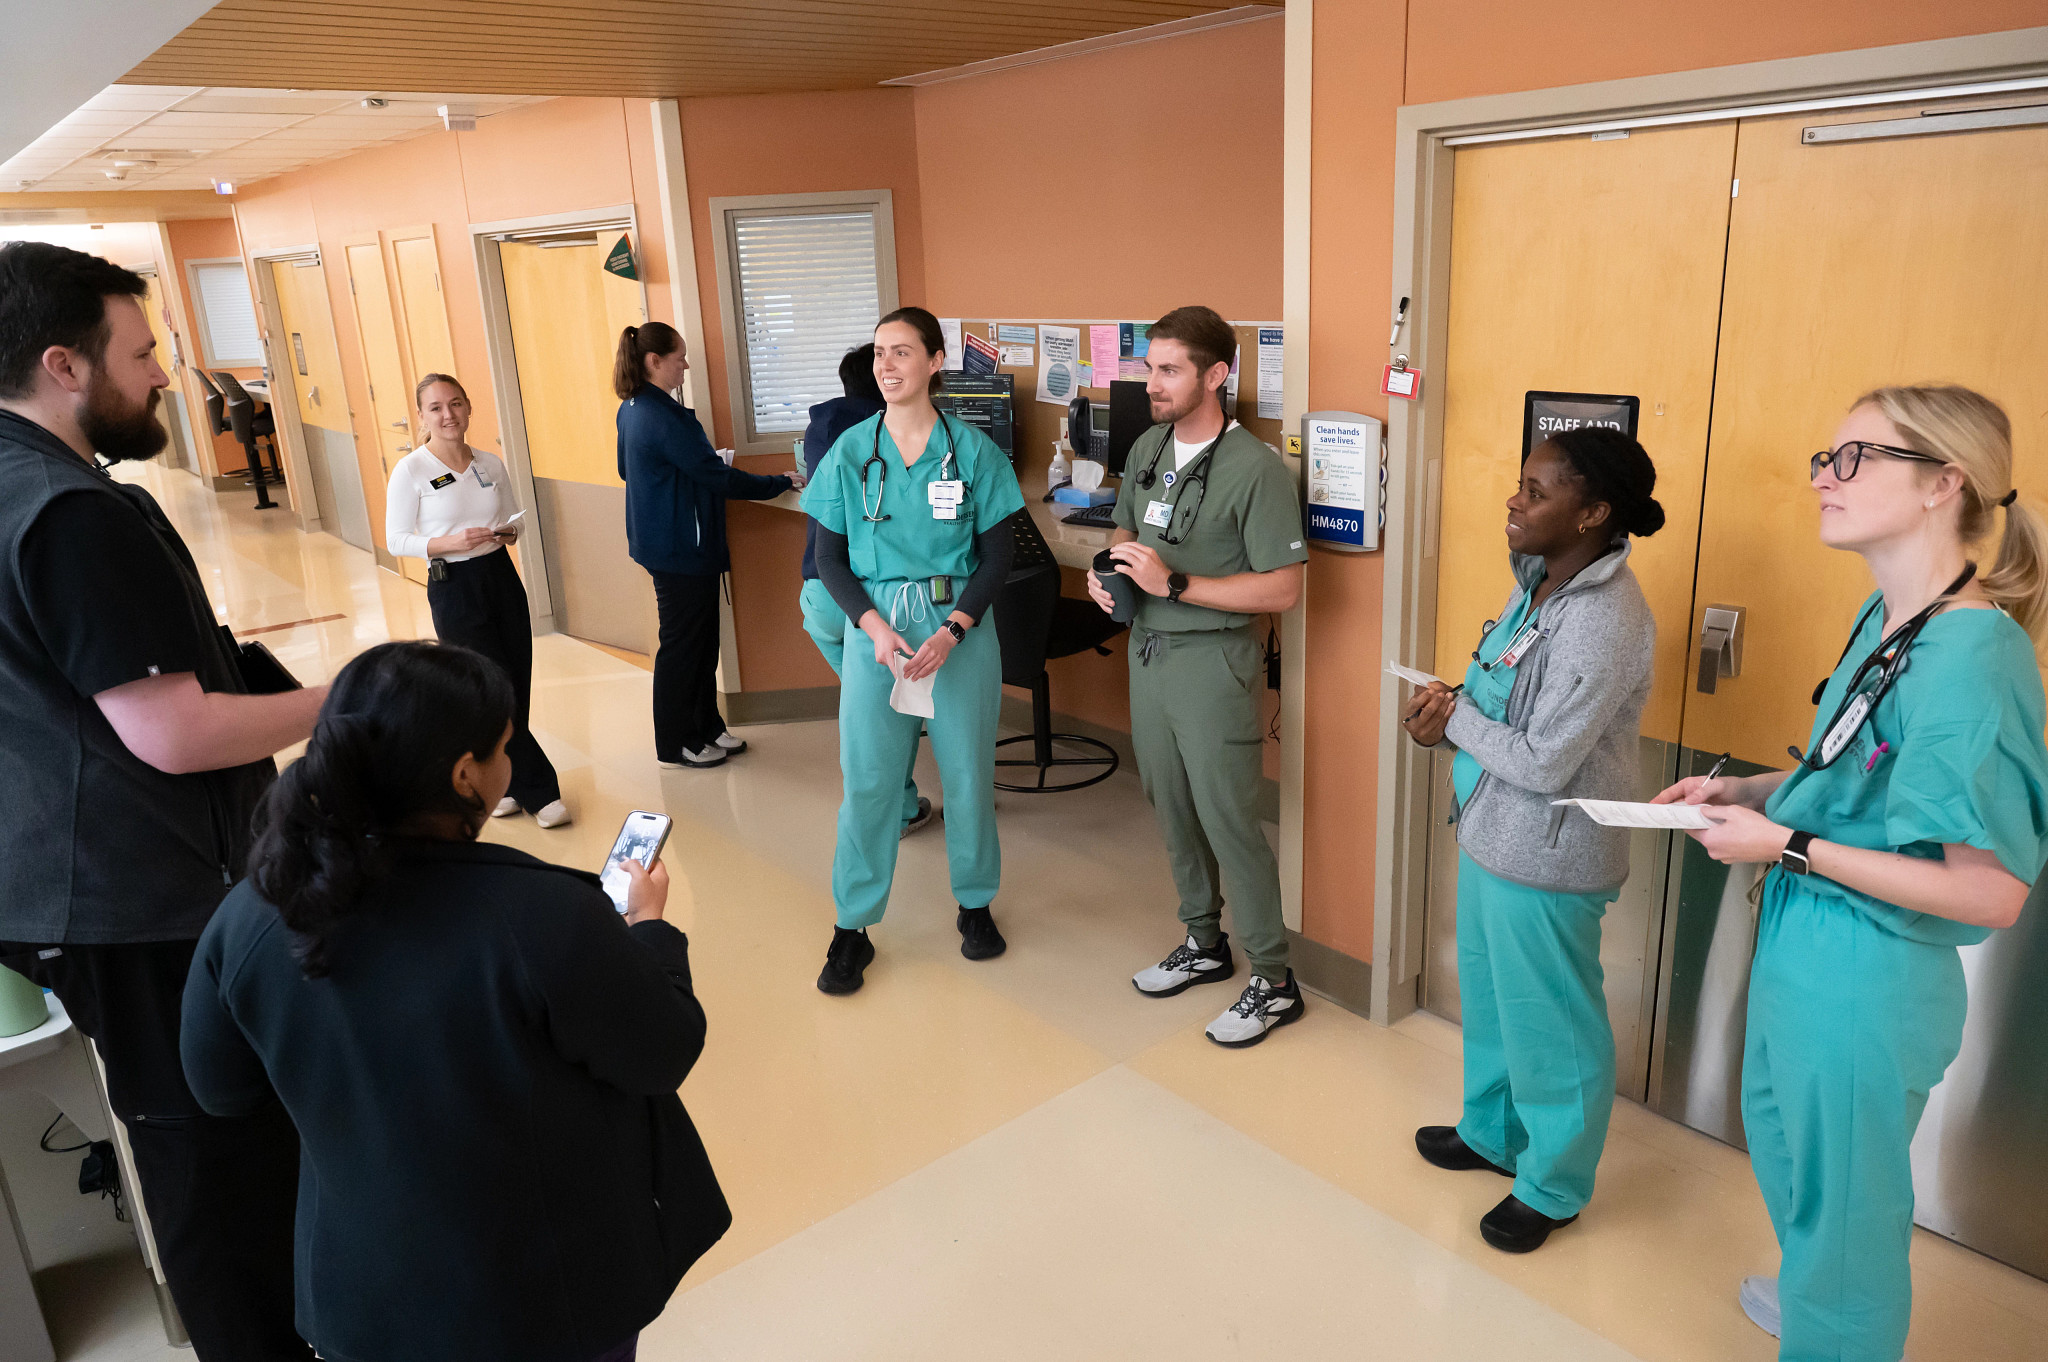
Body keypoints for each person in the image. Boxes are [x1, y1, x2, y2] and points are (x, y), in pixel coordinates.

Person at [181, 641, 728, 1362]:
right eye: (505, 746)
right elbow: (662, 1050)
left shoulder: (251, 917)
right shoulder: (542, 914)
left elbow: (218, 1090)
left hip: (365, 1299)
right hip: (543, 1296)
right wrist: (650, 933)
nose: (511, 761)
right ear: (466, 776)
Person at [1652, 385, 2048, 1361]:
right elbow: (1853, 766)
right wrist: (1751, 792)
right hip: (1808, 937)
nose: (1824, 479)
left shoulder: (1970, 657)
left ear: (1941, 484)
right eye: (1825, 458)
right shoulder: (1886, 614)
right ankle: (1818, 1299)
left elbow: (1990, 893)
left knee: (1847, 1214)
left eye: (1854, 458)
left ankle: (1838, 1328)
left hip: (1867, 975)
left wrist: (1785, 845)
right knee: (1790, 1151)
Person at [0, 241, 326, 1360]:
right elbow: (172, 732)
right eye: (140, 352)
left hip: (71, 892)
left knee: (201, 1142)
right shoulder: (70, 513)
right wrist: (341, 705)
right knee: (216, 1158)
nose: (163, 374)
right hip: (144, 907)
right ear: (63, 364)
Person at [1400, 427, 1663, 1253]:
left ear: (1592, 512)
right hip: (1489, 833)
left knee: (1552, 1025)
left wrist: (1458, 723)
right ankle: (1492, 1134)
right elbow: (1498, 703)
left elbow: (1547, 761)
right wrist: (1446, 724)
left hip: (1549, 856)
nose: (1515, 500)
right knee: (1494, 1005)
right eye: (1520, 483)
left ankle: (1553, 1184)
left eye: (1537, 491)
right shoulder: (1538, 585)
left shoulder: (1604, 620)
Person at [1087, 305, 1308, 1047]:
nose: (1153, 382)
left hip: (1213, 662)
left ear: (1216, 375)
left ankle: (1274, 980)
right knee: (1170, 805)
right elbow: (1124, 525)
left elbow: (1281, 589)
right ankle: (1204, 944)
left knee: (1228, 819)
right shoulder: (1149, 444)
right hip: (1148, 655)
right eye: (1150, 367)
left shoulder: (1257, 470)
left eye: (1169, 369)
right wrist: (1111, 571)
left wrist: (1175, 585)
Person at [803, 306, 1024, 994]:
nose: (887, 366)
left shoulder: (974, 452)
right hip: (880, 632)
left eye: (902, 353)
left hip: (955, 629)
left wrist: (954, 628)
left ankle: (976, 905)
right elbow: (828, 559)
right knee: (868, 780)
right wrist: (871, 627)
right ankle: (852, 927)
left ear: (935, 361)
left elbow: (997, 557)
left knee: (965, 777)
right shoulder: (850, 451)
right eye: (879, 354)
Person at [386, 372, 569, 829]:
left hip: (499, 576)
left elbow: (514, 520)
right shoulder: (412, 470)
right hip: (454, 584)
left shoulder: (490, 462)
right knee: (489, 688)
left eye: (456, 404)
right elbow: (396, 539)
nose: (448, 415)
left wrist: (509, 531)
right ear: (422, 416)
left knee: (517, 681)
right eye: (436, 408)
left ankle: (500, 783)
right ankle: (540, 789)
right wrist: (448, 542)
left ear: (468, 407)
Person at [616, 322, 792, 769]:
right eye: (679, 358)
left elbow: (628, 470)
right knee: (683, 646)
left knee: (701, 641)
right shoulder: (660, 415)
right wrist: (778, 483)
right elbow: (717, 476)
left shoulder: (633, 408)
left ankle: (707, 726)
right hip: (680, 548)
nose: (686, 365)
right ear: (654, 362)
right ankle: (676, 743)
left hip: (668, 541)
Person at [799, 343, 935, 839]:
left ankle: (890, 809)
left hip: (820, 597)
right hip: (872, 604)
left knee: (875, 723)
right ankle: (897, 812)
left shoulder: (823, 429)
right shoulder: (893, 435)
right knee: (892, 719)